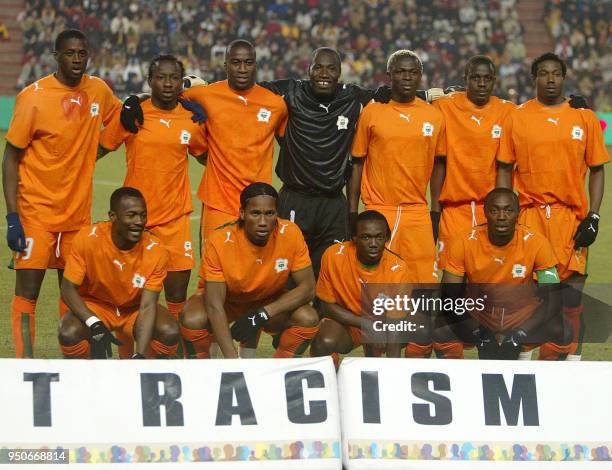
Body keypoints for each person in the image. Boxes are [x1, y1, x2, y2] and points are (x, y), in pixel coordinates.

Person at [2, 29, 120, 357]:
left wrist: (98, 150)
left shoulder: (98, 90)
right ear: (56, 55)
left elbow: (122, 119)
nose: (77, 59)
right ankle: (24, 366)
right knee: (27, 294)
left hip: (77, 219)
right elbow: (10, 159)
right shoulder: (34, 96)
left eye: (82, 53)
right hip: (36, 214)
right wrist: (13, 216)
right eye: (70, 53)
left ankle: (74, 368)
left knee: (76, 297)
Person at [496, 52, 609, 360]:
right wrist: (507, 211)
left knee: (571, 296)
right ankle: (528, 363)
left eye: (556, 73)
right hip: (531, 219)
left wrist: (594, 216)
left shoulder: (583, 116)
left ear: (564, 77)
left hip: (570, 221)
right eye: (543, 73)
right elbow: (505, 166)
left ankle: (571, 364)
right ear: (534, 78)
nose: (550, 79)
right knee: (536, 296)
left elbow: (597, 168)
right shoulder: (517, 117)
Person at [121, 39, 288, 245]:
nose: (242, 69)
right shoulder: (205, 95)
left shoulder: (276, 104)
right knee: (213, 269)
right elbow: (164, 92)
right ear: (225, 65)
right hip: (218, 202)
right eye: (236, 62)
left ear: (256, 64)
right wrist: (135, 99)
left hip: (259, 203)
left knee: (253, 269)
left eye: (248, 62)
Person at [98, 55, 208, 321]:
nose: (168, 83)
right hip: (135, 221)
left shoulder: (191, 119)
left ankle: (176, 360)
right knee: (130, 299)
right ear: (150, 81)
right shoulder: (134, 115)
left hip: (175, 220)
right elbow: (98, 149)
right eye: (161, 77)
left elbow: (208, 157)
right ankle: (130, 361)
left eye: (173, 78)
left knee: (176, 300)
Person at [179, 182, 320, 359]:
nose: (263, 221)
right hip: (227, 302)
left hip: (268, 300)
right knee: (192, 318)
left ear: (277, 214)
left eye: (269, 213)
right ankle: (201, 370)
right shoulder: (219, 241)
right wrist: (233, 362)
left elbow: (308, 289)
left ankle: (280, 371)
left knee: (308, 318)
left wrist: (262, 314)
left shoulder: (291, 233)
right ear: (242, 214)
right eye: (255, 213)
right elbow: (214, 305)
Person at [348, 49, 445, 287]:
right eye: (400, 72)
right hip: (380, 209)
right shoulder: (372, 112)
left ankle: (419, 325)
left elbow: (438, 166)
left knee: (424, 283)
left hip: (417, 213)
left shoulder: (434, 116)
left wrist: (435, 211)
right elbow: (357, 163)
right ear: (389, 75)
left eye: (413, 72)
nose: (407, 77)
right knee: (375, 281)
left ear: (421, 75)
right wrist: (352, 211)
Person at [441, 188, 564, 360]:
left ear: (518, 213)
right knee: (440, 328)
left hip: (520, 315)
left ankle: (546, 382)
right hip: (480, 315)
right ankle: (456, 381)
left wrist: (521, 332)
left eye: (508, 210)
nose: (501, 216)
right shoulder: (463, 242)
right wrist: (477, 331)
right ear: (484, 212)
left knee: (560, 327)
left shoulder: (537, 243)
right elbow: (449, 298)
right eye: (494, 210)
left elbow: (554, 299)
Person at [58, 187, 179, 359]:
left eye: (143, 215)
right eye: (131, 215)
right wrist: (94, 323)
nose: (139, 221)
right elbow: (68, 289)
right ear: (113, 216)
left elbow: (147, 305)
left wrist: (140, 355)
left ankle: (148, 371)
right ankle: (83, 377)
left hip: (134, 309)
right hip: (97, 305)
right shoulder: (87, 239)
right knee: (69, 332)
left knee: (169, 331)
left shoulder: (157, 250)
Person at [311, 210, 416, 366]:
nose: (373, 244)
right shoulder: (333, 256)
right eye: (366, 237)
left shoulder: (399, 269)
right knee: (324, 341)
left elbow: (395, 325)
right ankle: (330, 380)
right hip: (350, 321)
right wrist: (366, 324)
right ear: (354, 238)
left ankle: (384, 371)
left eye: (379, 237)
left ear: (387, 238)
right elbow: (326, 306)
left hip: (385, 325)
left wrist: (393, 368)